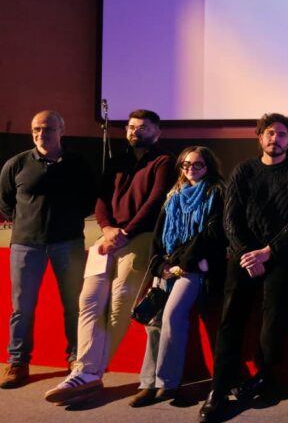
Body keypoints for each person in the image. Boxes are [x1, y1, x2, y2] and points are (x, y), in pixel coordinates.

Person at [44, 109, 175, 404]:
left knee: (119, 302)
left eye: (142, 127)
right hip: (107, 238)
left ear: (157, 131)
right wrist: (106, 228)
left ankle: (89, 373)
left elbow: (155, 202)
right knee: (88, 300)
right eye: (130, 127)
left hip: (139, 239)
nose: (134, 131)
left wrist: (124, 232)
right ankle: (85, 371)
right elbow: (101, 199)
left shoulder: (164, 161)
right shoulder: (117, 161)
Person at [199, 113, 288, 423]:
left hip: (279, 258)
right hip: (244, 257)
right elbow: (230, 218)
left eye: (281, 134)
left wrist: (268, 252)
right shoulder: (243, 171)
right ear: (260, 137)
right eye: (269, 133)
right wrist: (247, 253)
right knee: (230, 321)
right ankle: (219, 389)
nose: (274, 139)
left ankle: (265, 377)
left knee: (273, 321)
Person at [0, 111, 95, 389]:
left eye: (48, 129)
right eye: (36, 129)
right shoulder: (16, 164)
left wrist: (67, 220)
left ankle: (76, 359)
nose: (41, 134)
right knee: (22, 308)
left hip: (69, 243)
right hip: (25, 245)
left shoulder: (78, 164)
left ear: (61, 130)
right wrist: (25, 224)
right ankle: (17, 361)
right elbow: (5, 201)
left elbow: (90, 199)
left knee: (74, 305)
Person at [129, 146, 226, 407]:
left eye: (197, 165)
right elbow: (159, 234)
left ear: (209, 167)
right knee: (154, 323)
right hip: (167, 267)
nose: (190, 170)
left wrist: (181, 264)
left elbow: (210, 234)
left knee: (172, 316)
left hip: (193, 269)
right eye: (185, 165)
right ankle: (147, 383)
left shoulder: (216, 193)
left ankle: (167, 383)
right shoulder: (173, 195)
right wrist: (159, 264)